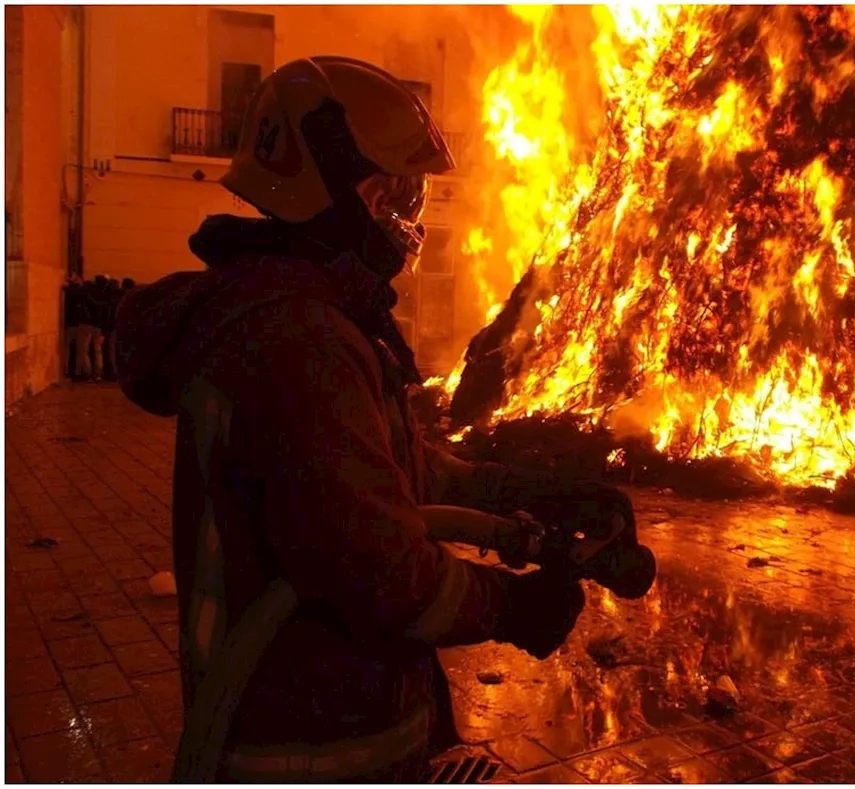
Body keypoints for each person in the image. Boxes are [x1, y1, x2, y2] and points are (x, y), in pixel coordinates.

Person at [113, 57, 622, 782]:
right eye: (393, 195)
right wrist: (510, 605)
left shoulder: (302, 315)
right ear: (327, 190)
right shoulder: (297, 341)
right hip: (310, 742)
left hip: (323, 714)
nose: (407, 218)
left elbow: (395, 473)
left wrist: (528, 492)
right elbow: (379, 567)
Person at [64, 273, 103, 381]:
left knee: (83, 350)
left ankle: (86, 373)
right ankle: (98, 374)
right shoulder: (102, 294)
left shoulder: (84, 294)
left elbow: (72, 293)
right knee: (97, 351)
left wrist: (72, 284)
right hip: (98, 326)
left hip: (85, 324)